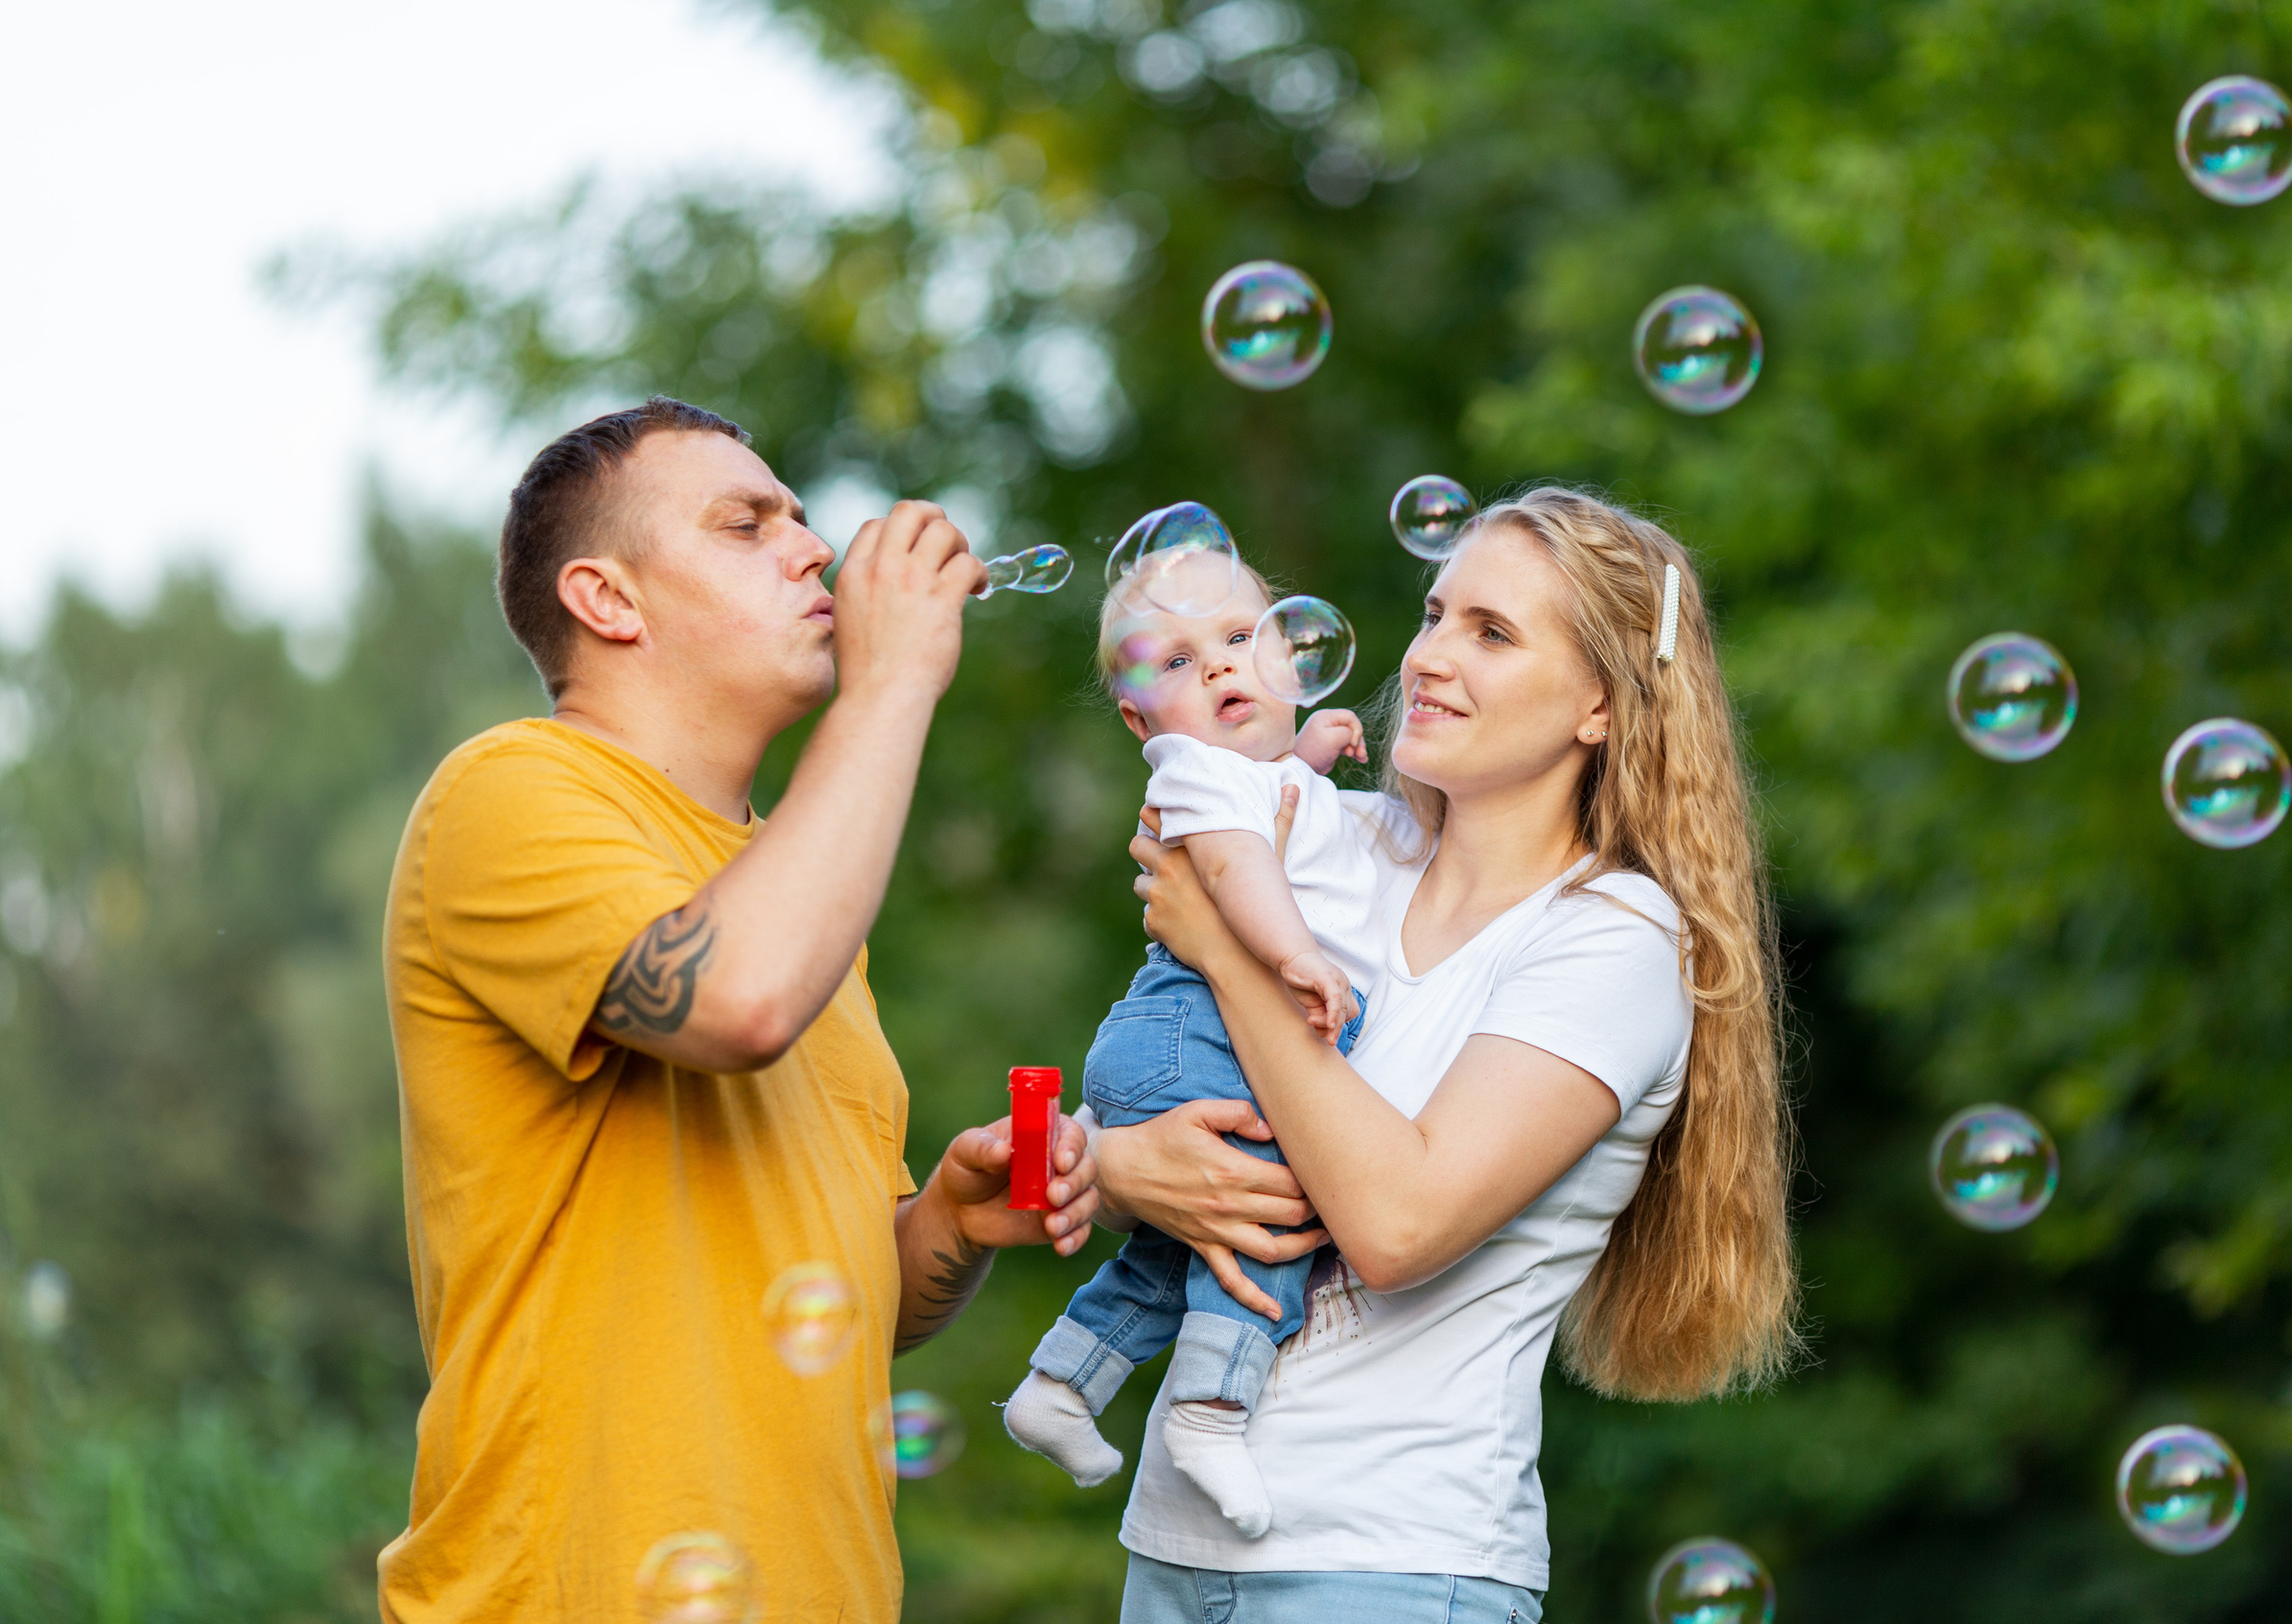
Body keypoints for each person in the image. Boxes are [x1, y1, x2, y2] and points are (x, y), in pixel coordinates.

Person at [376, 397, 1098, 1623]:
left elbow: (837, 1311)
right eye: (746, 522)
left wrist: (948, 1228)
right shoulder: (508, 793)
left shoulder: (794, 894)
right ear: (610, 600)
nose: (814, 548)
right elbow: (736, 999)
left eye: (803, 519)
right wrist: (896, 681)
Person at [1091, 487, 1800, 1622]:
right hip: (1171, 1548)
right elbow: (1168, 1077)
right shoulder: (1331, 835)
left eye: (1492, 633)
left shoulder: (1612, 938)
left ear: (1601, 709)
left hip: (1393, 1565)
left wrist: (1225, 954)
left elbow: (1398, 1225)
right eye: (1434, 613)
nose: (1427, 657)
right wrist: (1113, 1173)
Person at [1003, 553, 1375, 1535]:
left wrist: (1313, 752)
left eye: (1238, 640)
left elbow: (1268, 811)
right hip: (1199, 1031)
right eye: (1175, 661)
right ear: (1139, 721)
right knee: (1282, 1203)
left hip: (1168, 1038)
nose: (1216, 669)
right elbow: (1239, 860)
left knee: (1179, 1243)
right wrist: (1295, 956)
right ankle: (1211, 1408)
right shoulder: (1196, 775)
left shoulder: (1238, 775)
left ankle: (1061, 1381)